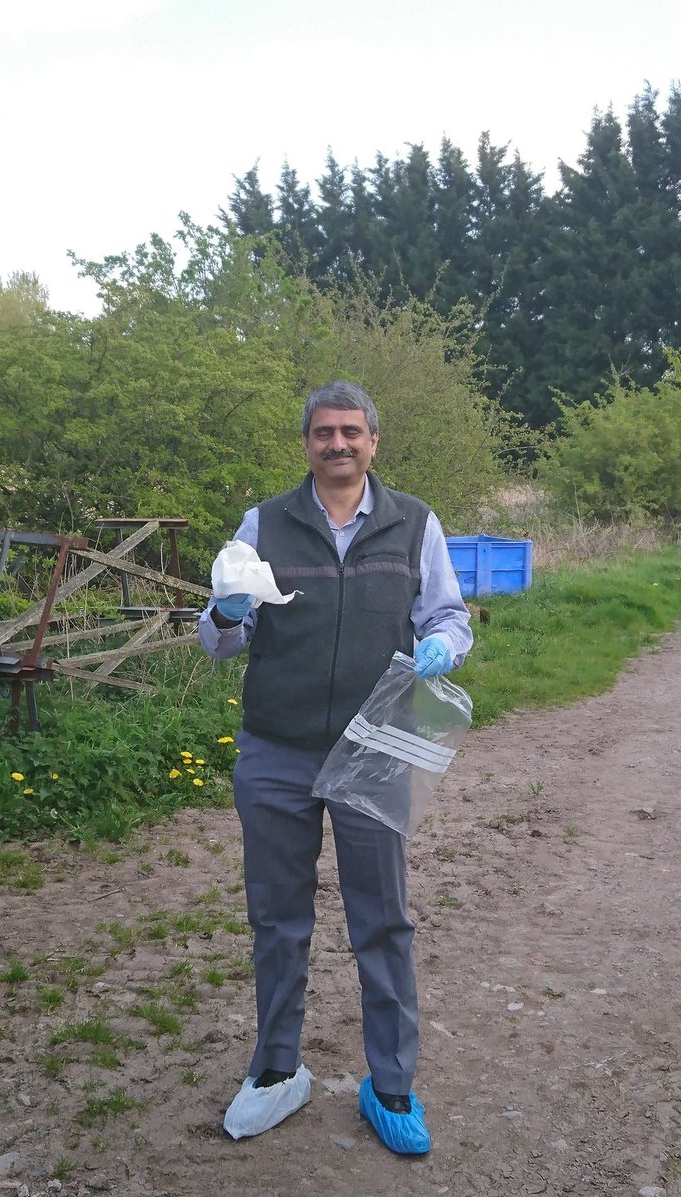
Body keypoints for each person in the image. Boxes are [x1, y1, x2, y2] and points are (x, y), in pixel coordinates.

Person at [198, 380, 473, 1154]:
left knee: (382, 919)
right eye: (325, 433)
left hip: (379, 744)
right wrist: (224, 612)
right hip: (276, 748)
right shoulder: (264, 524)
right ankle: (277, 1070)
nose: (339, 444)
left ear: (374, 441)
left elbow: (448, 614)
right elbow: (218, 641)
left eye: (352, 431)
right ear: (307, 444)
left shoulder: (415, 523)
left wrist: (445, 645)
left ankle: (390, 1084)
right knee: (277, 919)